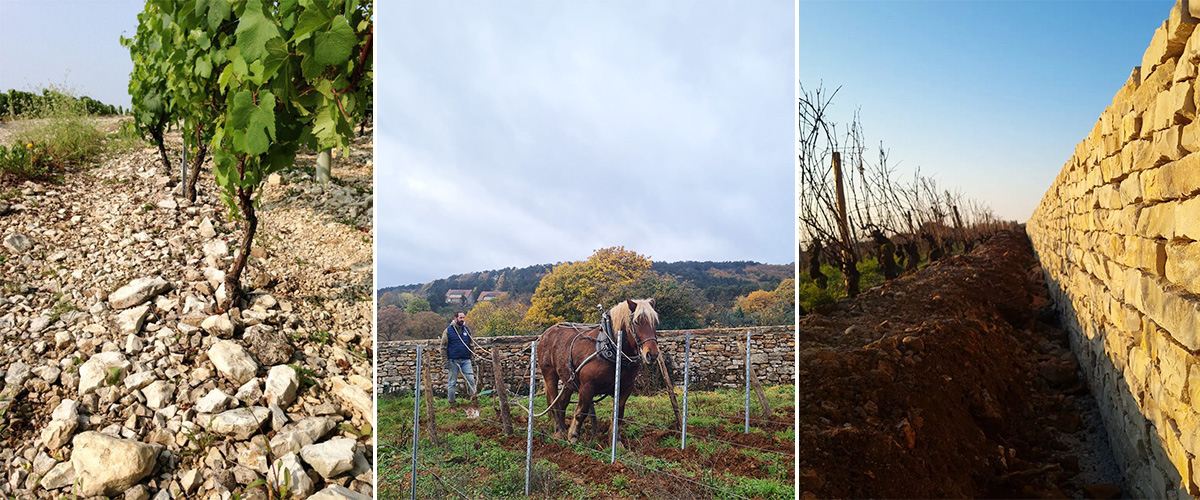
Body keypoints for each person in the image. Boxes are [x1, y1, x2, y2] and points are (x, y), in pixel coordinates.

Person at [441, 312, 476, 405]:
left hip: (466, 360)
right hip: (453, 360)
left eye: (463, 318)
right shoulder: (448, 330)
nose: (462, 319)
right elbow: (443, 347)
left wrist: (473, 357)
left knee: (471, 381)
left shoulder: (467, 330)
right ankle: (452, 403)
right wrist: (445, 361)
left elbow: (471, 345)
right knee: (452, 383)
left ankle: (474, 402)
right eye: (460, 318)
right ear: (455, 318)